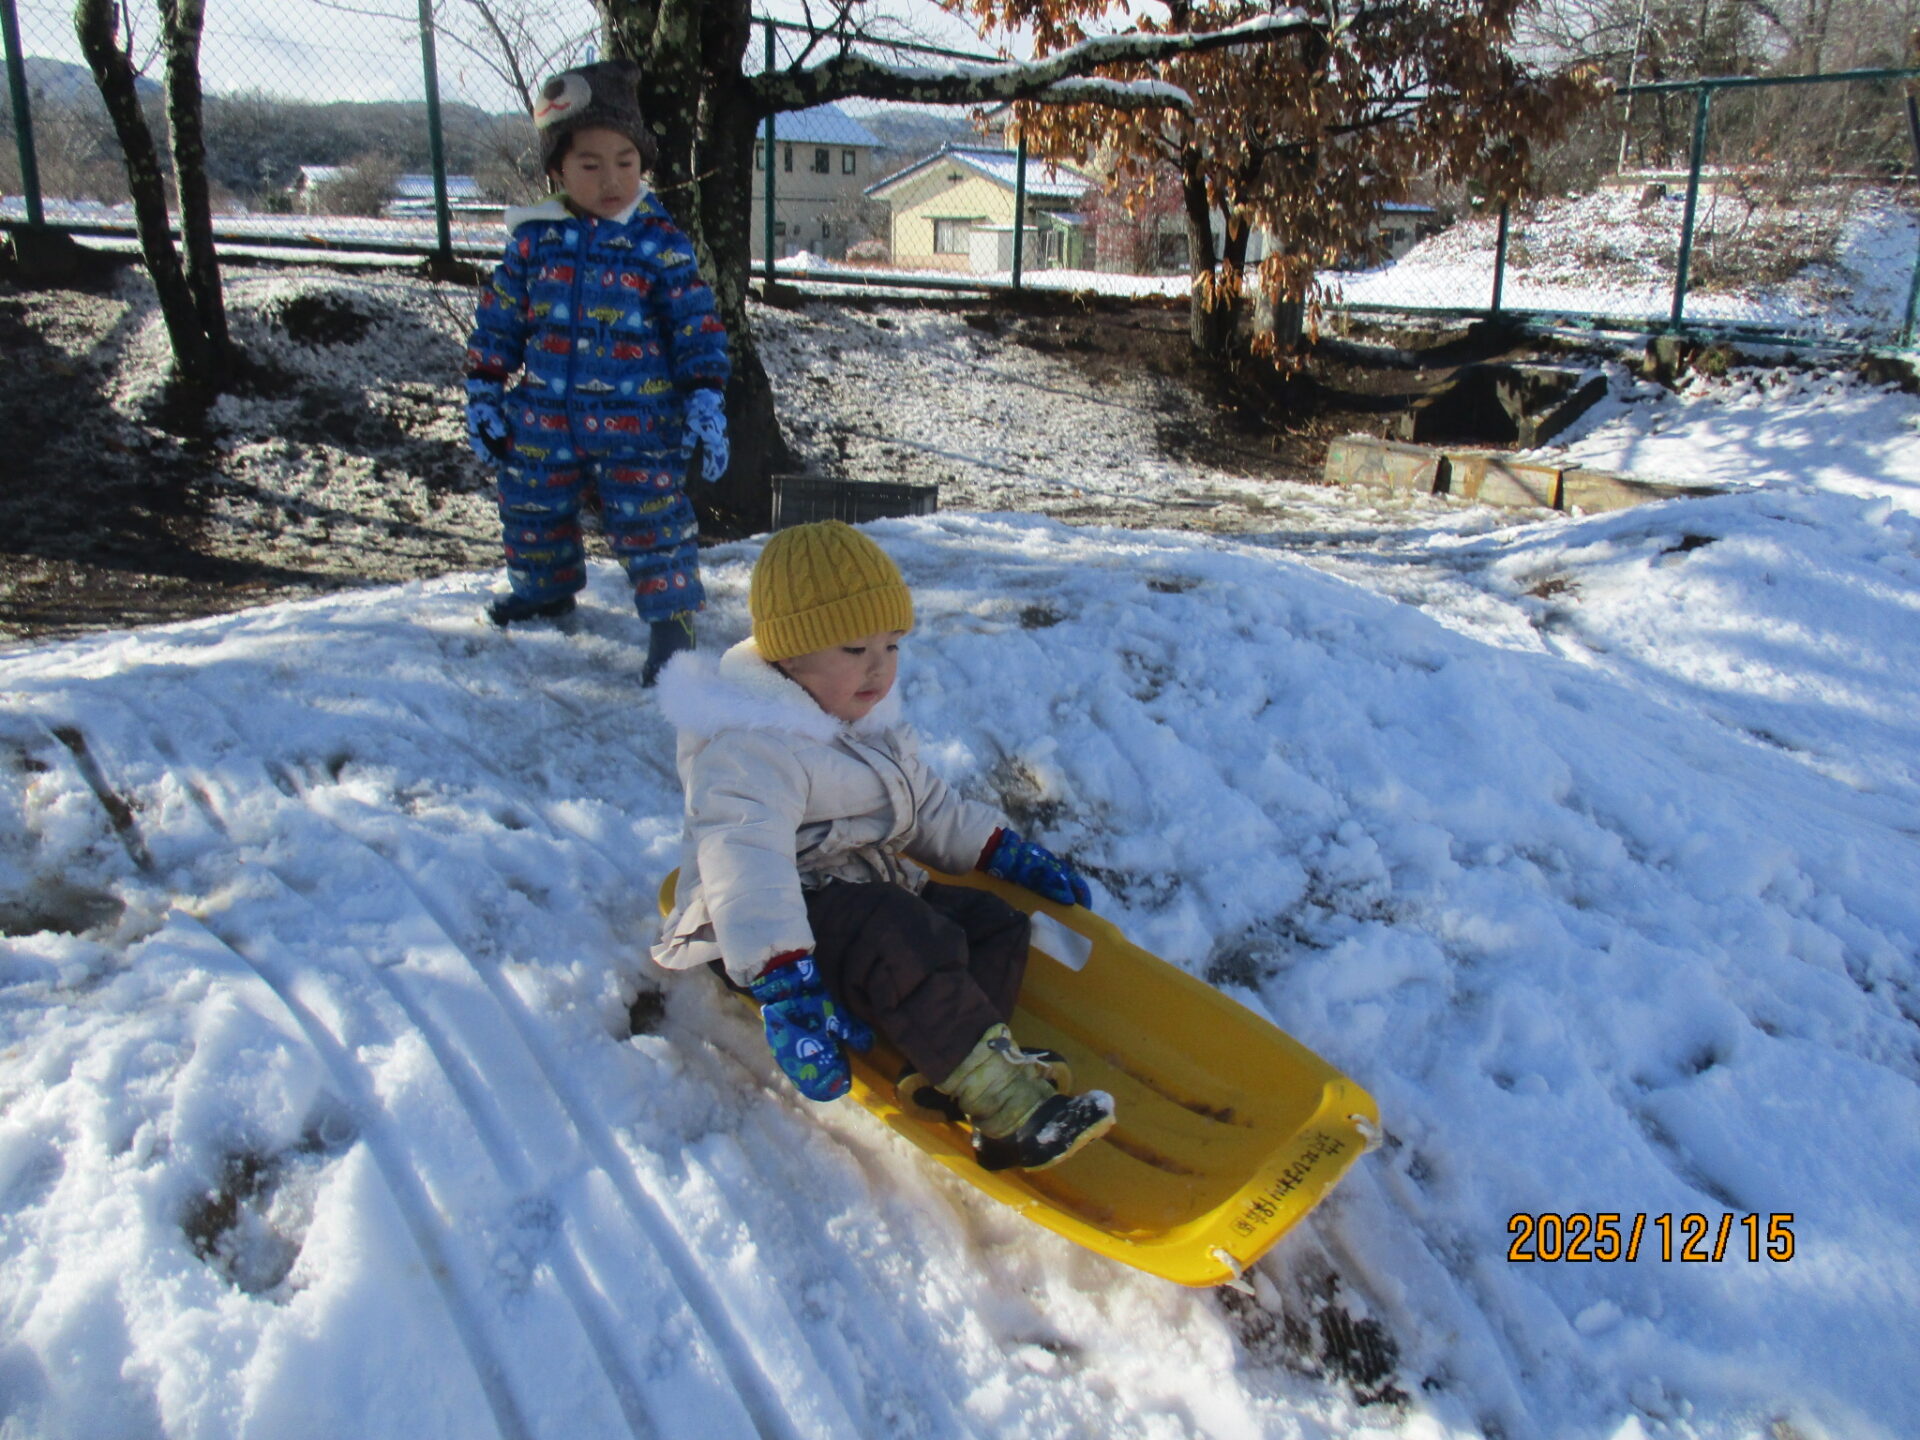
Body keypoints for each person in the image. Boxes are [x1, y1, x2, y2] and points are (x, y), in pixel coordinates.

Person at [651, 521, 1117, 1172]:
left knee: (994, 923)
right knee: (899, 930)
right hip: (782, 927)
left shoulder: (862, 720)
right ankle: (1006, 1112)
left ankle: (963, 1058)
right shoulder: (749, 746)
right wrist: (783, 982)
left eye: (892, 644)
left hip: (863, 891)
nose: (880, 667)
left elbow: (927, 805)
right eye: (854, 648)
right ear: (789, 654)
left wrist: (998, 849)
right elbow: (744, 868)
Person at [464, 58, 731, 685]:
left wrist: (705, 395)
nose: (611, 179)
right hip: (544, 414)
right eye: (590, 165)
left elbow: (695, 322)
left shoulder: (657, 241)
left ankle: (672, 620)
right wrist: (484, 387)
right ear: (558, 170)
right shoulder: (534, 240)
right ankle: (544, 589)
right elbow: (500, 320)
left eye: (625, 162)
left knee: (651, 517)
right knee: (529, 503)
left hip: (640, 418)